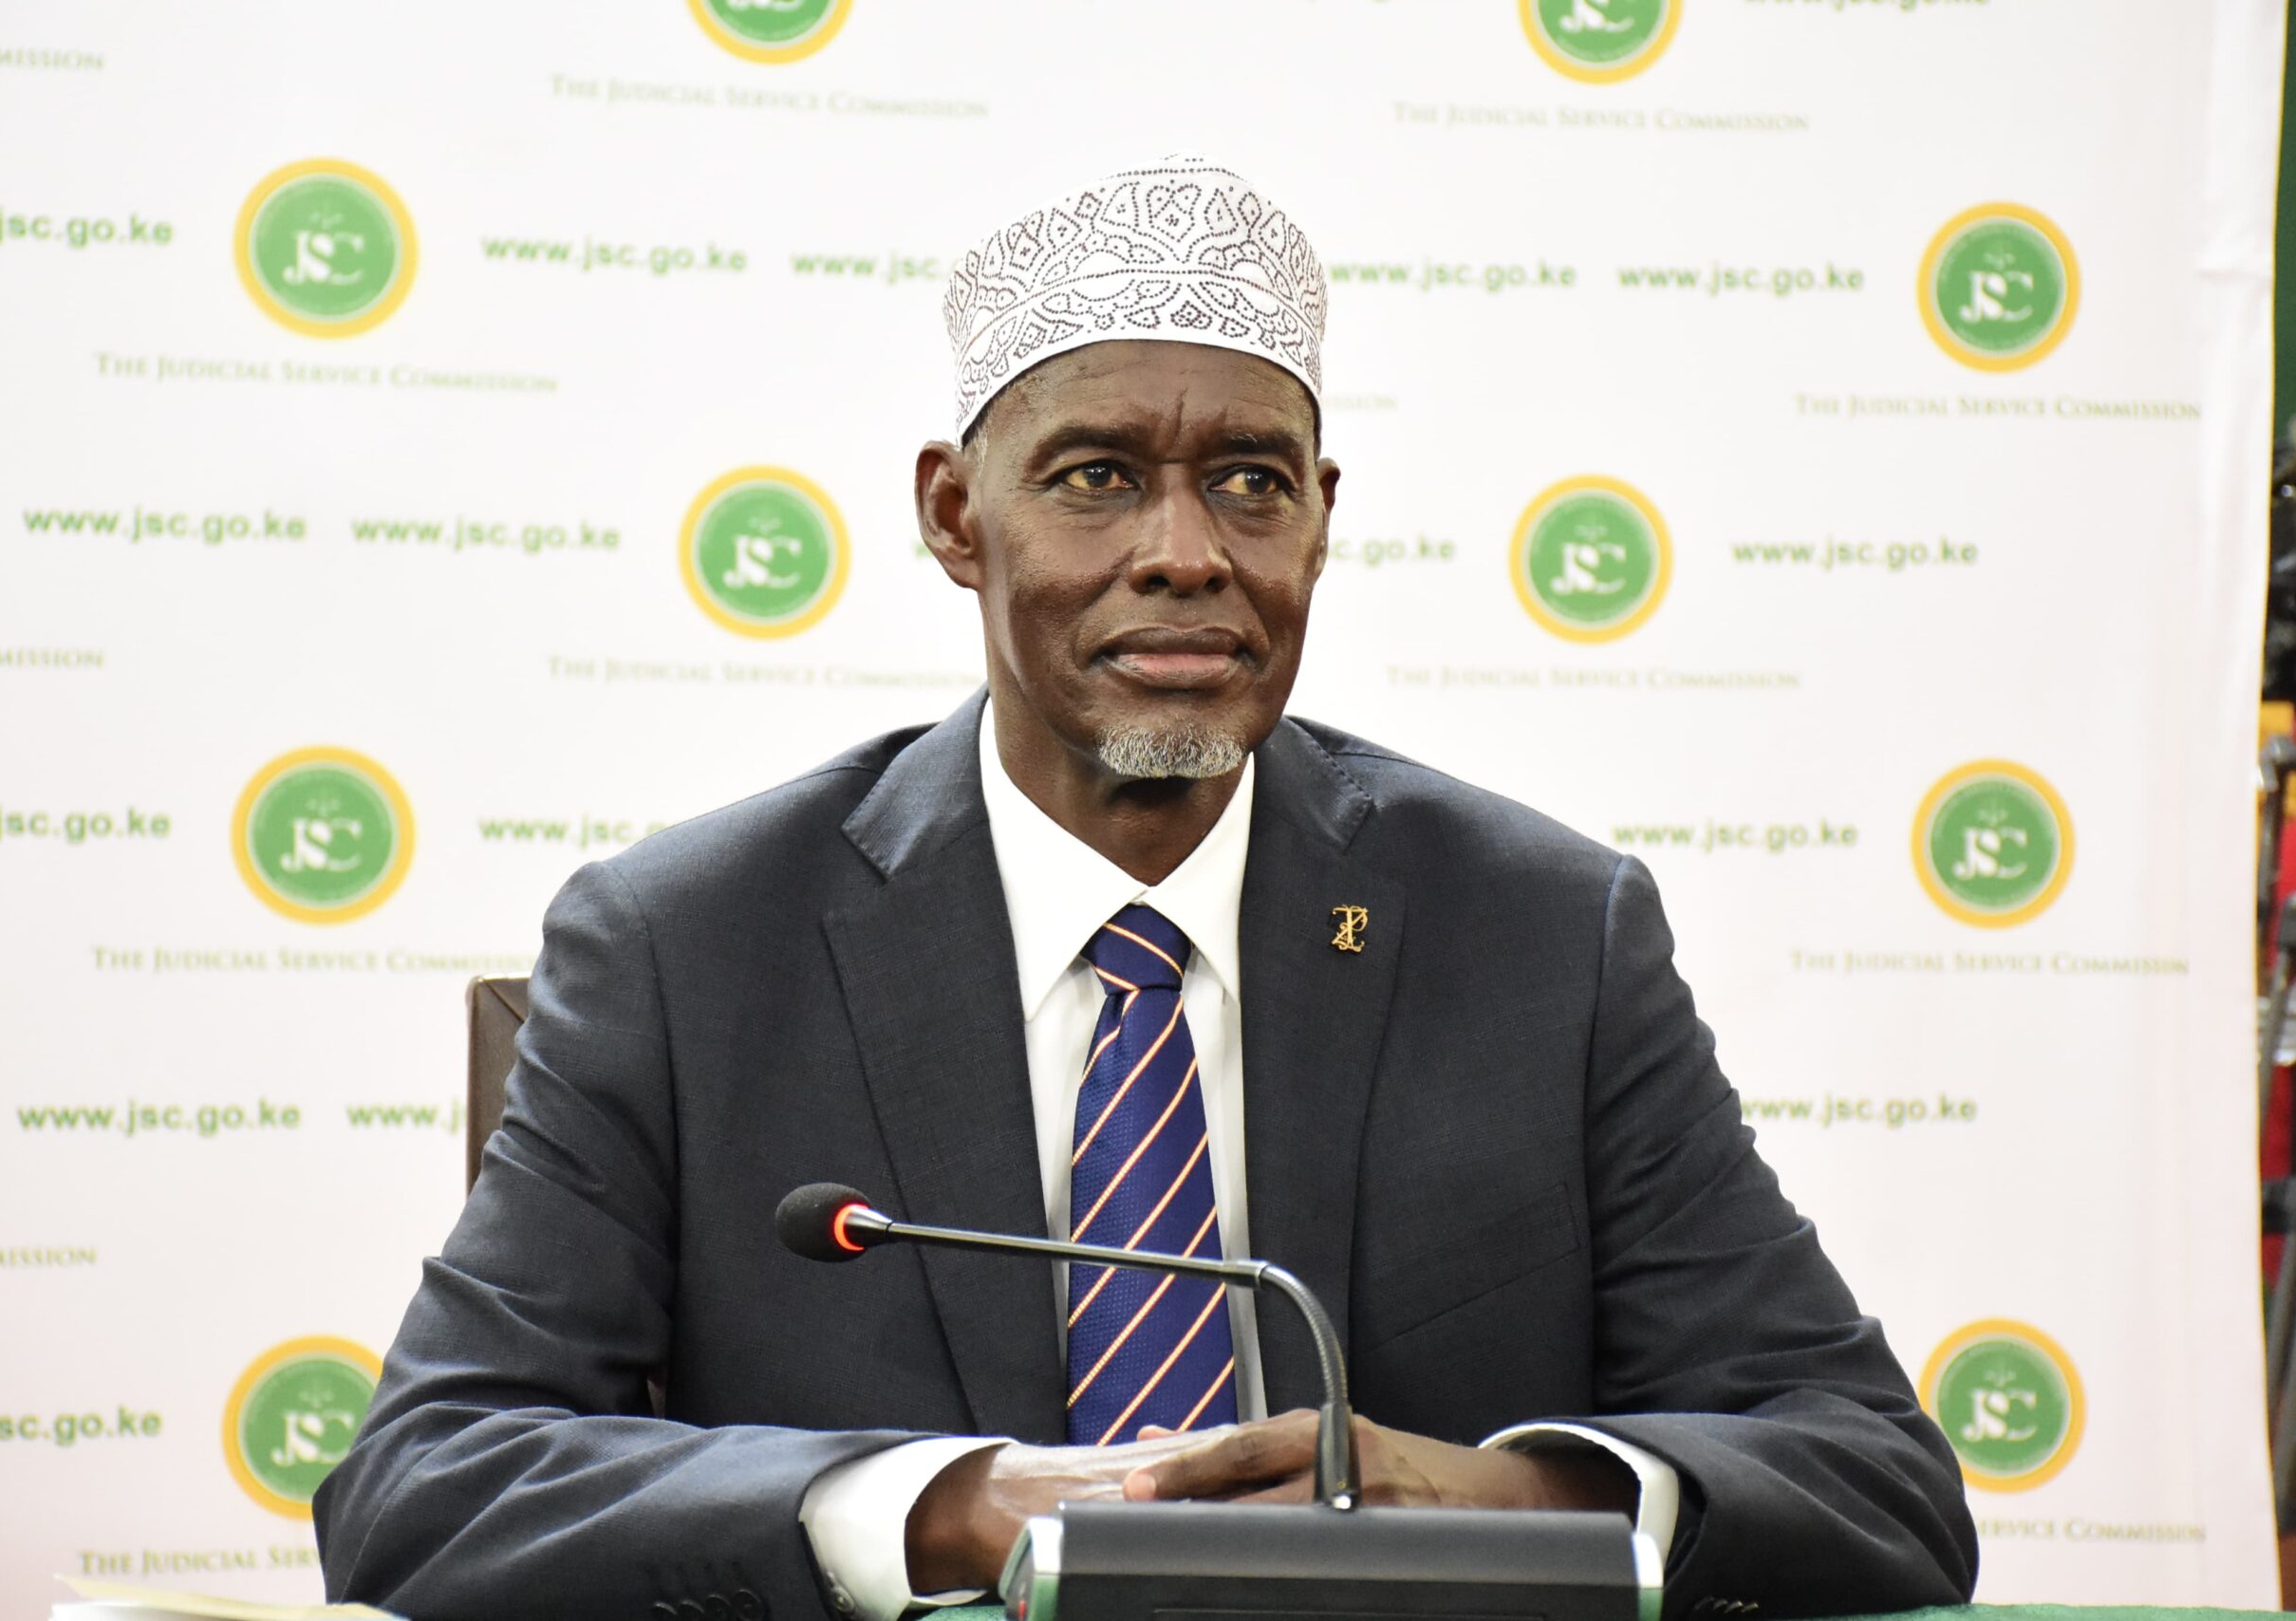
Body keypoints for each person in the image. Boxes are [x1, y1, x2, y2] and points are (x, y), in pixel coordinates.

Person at [315, 157, 1975, 1621]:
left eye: (1252, 481)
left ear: (1319, 523)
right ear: (957, 518)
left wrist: (1498, 1496)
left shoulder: (1544, 938)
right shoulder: (689, 950)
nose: (1187, 550)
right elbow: (428, 1480)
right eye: (1097, 476)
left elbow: (1873, 1478)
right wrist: (947, 1511)